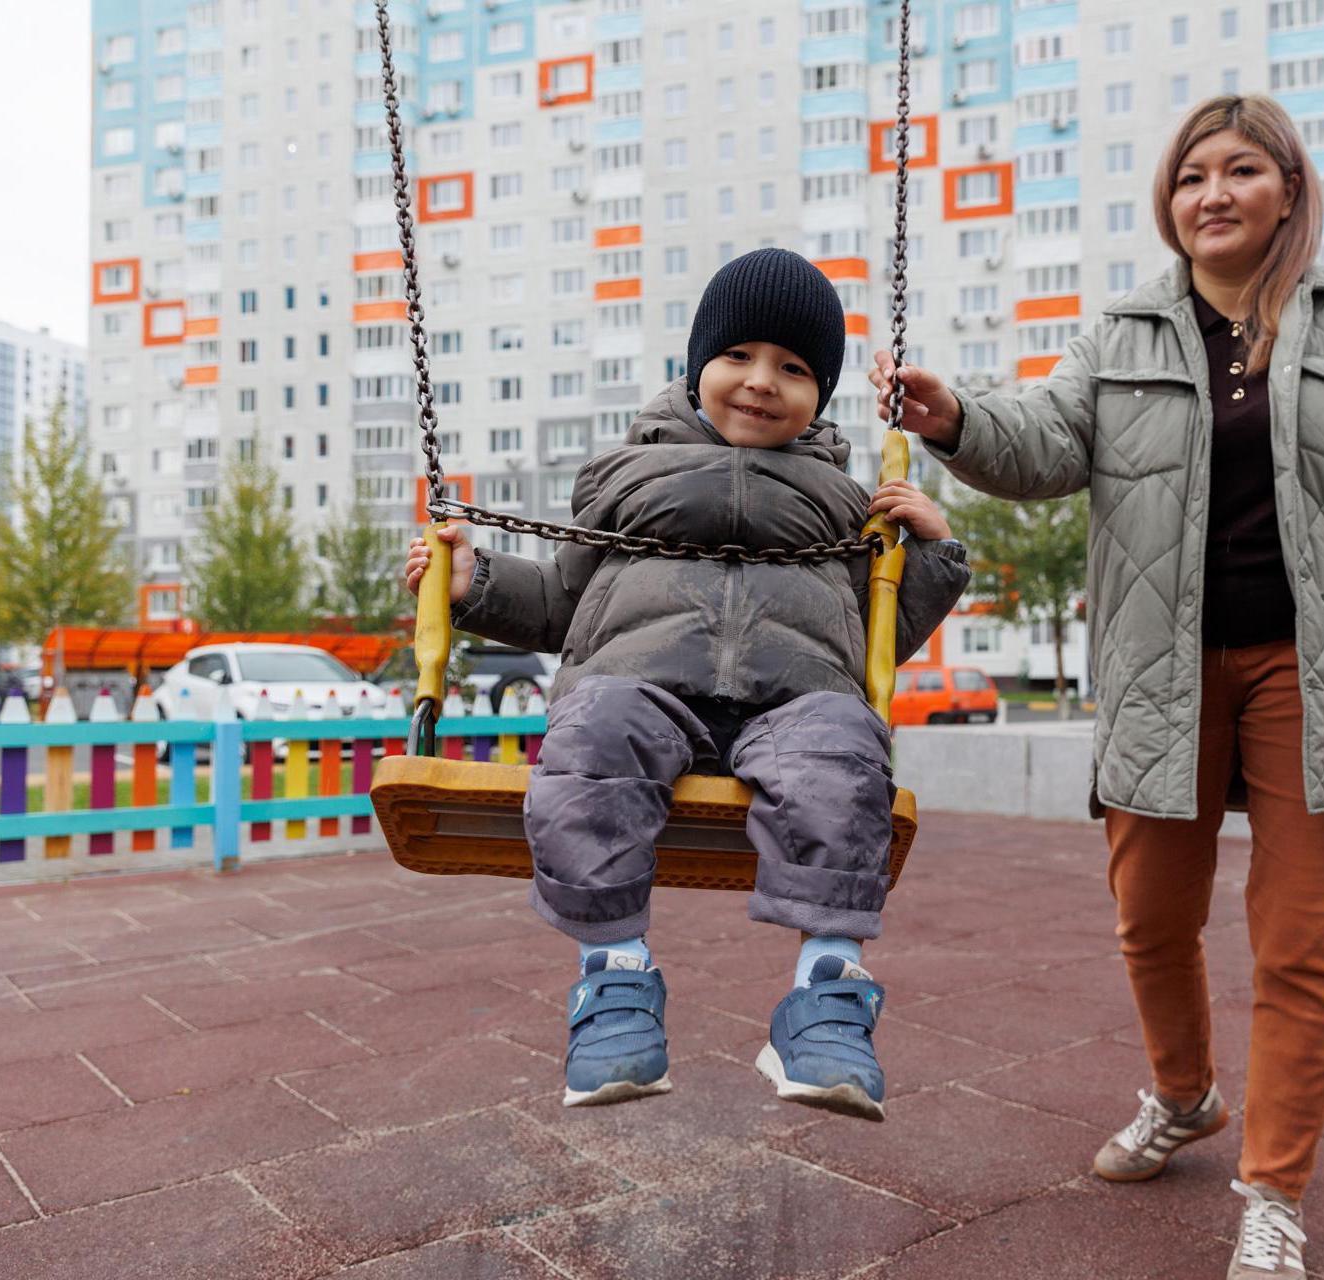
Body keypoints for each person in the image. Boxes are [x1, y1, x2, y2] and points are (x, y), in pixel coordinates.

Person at [870, 96, 1324, 1278]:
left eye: (1240, 169)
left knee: (1299, 944)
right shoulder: (1124, 333)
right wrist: (954, 420)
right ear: (1168, 200)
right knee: (1149, 915)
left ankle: (1273, 1188)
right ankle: (1183, 1092)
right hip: (1160, 667)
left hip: (1318, 672)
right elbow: (1044, 440)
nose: (1211, 192)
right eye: (1190, 174)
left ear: (1287, 189)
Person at [405, 249, 969, 1122]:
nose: (761, 381)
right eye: (737, 355)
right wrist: (475, 582)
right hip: (641, 687)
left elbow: (875, 636)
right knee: (592, 726)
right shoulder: (628, 478)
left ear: (821, 394)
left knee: (844, 751)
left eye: (793, 368)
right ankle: (614, 978)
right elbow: (562, 602)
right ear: (698, 363)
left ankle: (825, 993)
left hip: (794, 704)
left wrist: (930, 554)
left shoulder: (847, 503)